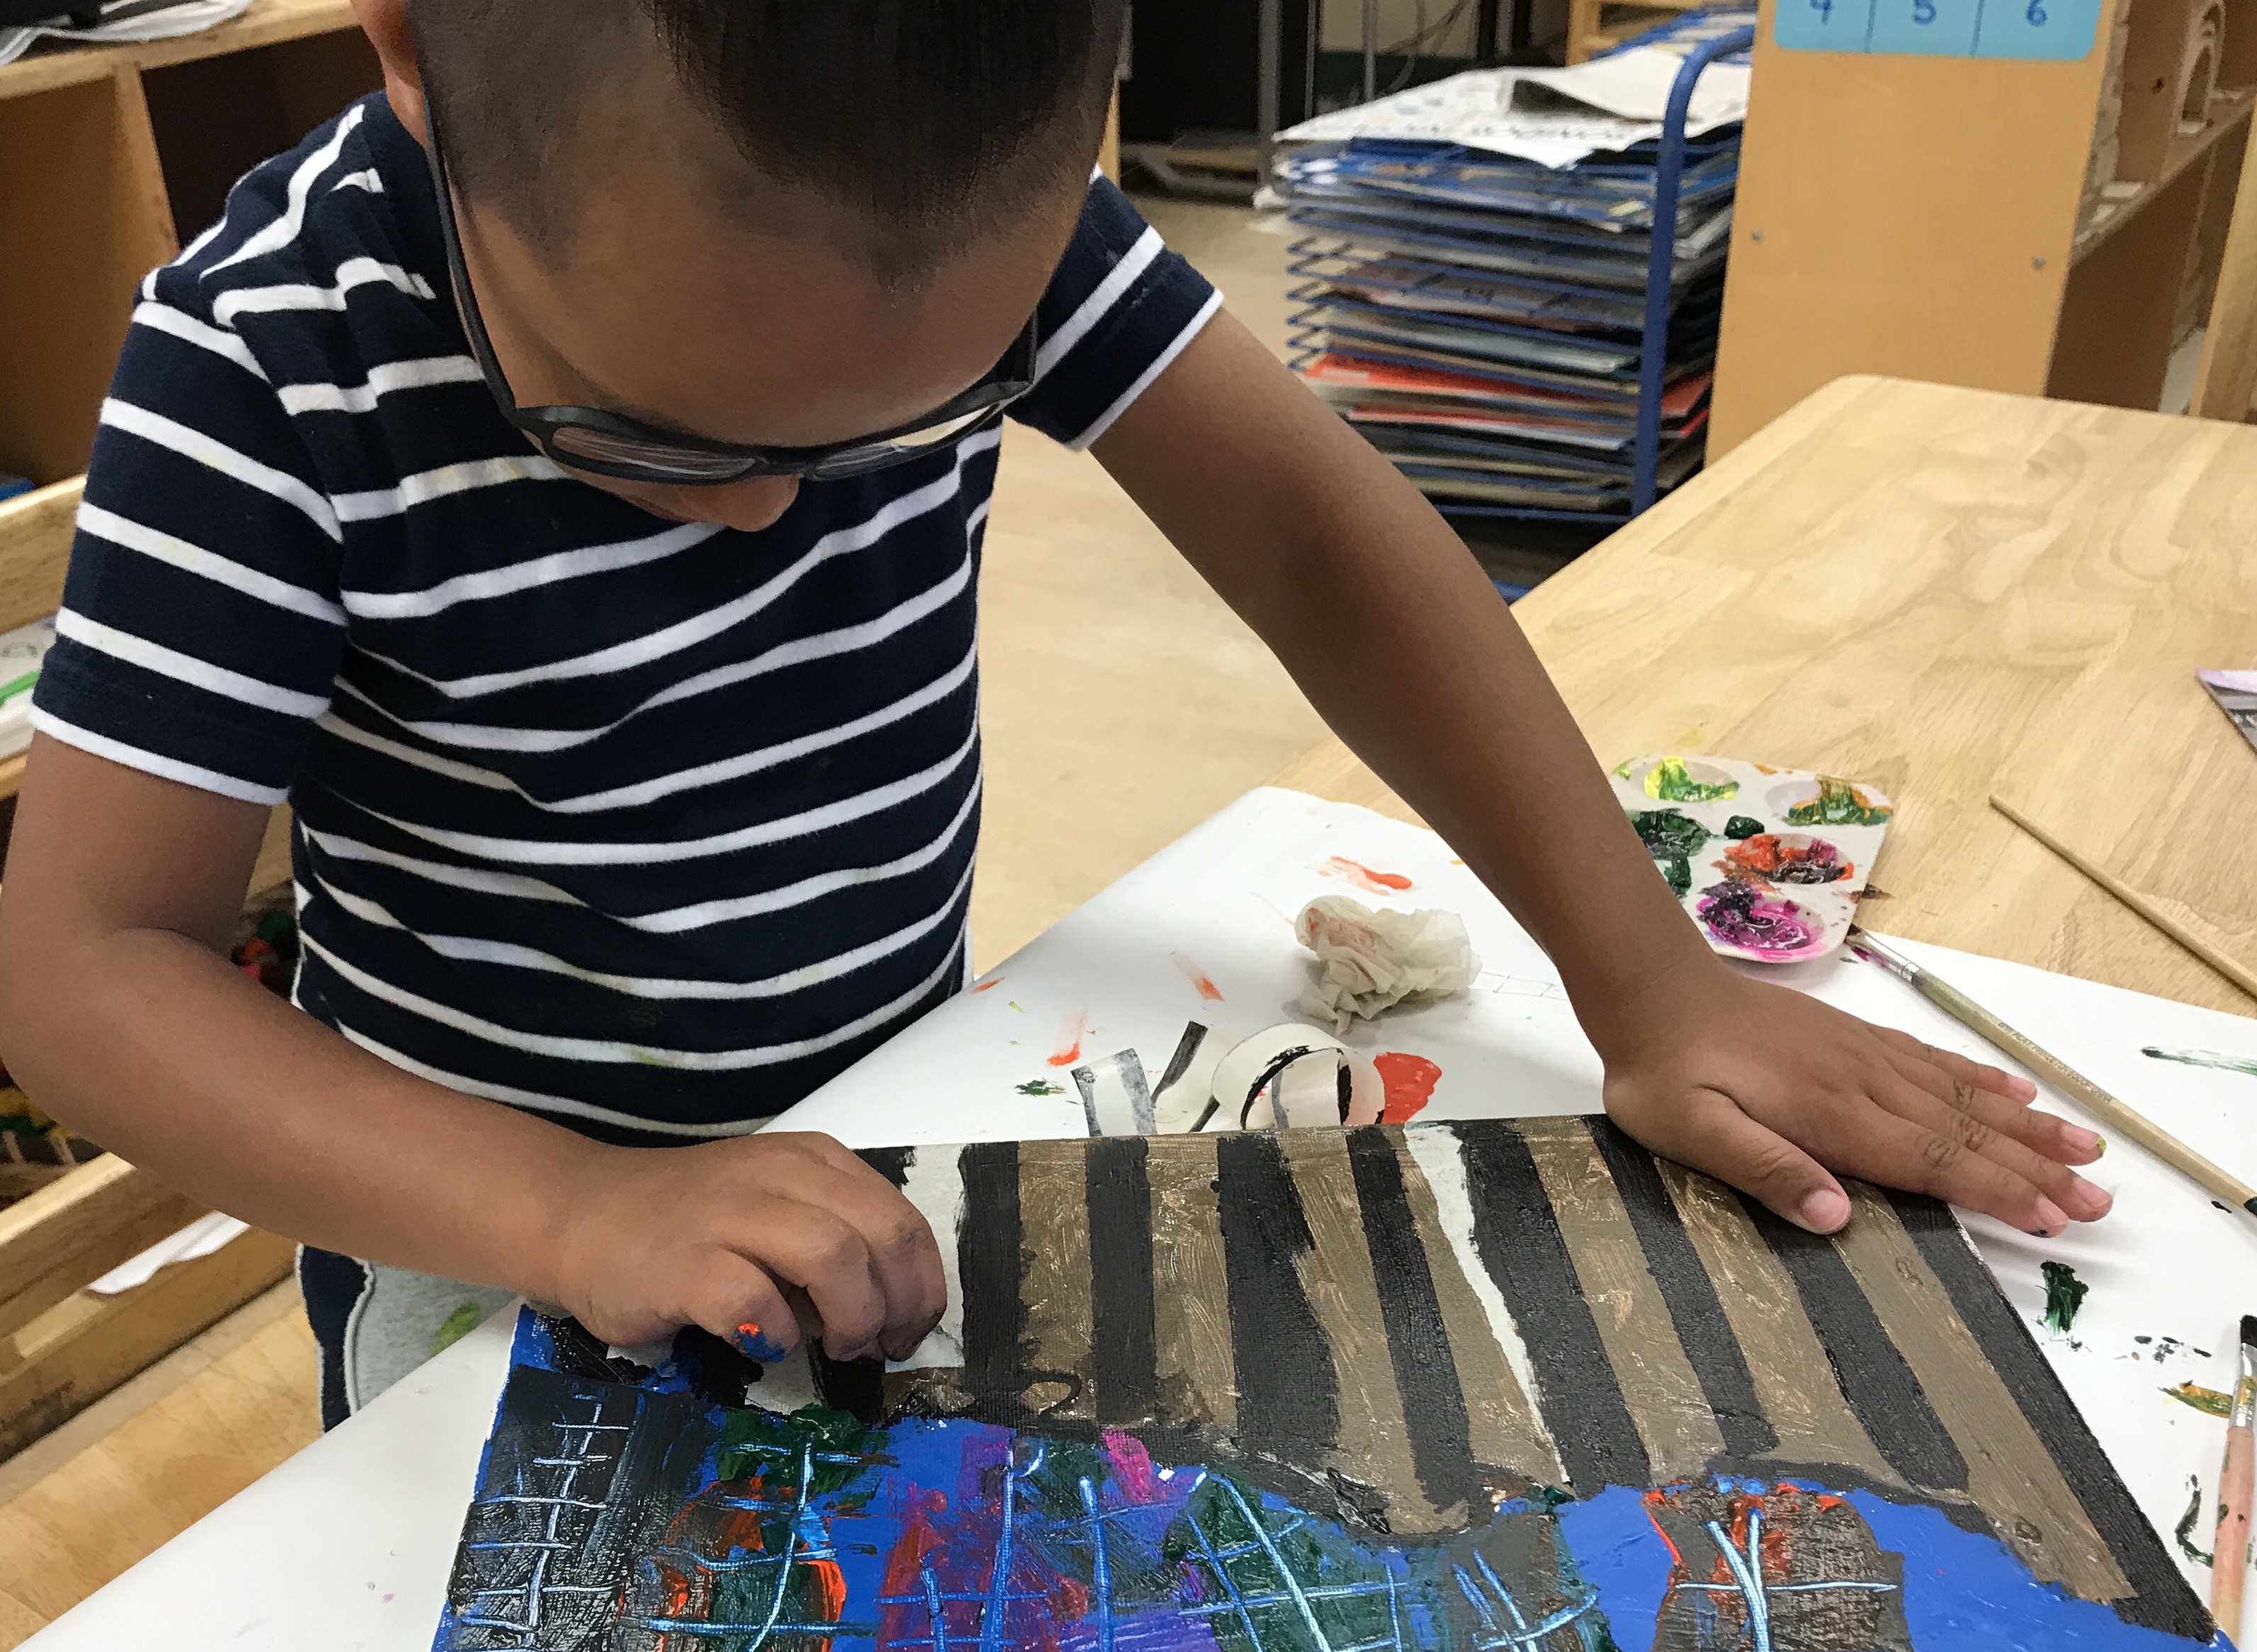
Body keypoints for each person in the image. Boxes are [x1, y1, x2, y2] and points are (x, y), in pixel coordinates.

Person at [0, 0, 2108, 1422]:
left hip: (907, 1125)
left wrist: (1646, 975)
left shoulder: (971, 209)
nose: (768, 514)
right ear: (412, 52)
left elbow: (1314, 531)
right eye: (642, 432)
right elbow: (84, 971)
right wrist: (572, 1209)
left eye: (916, 413)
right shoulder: (263, 370)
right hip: (487, 1248)